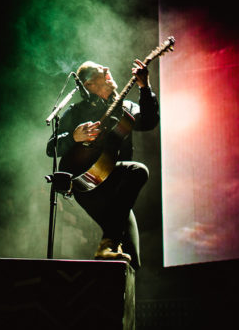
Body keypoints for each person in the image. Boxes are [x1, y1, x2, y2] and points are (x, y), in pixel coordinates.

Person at [46, 58, 159, 268]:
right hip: (85, 182)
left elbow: (150, 122)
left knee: (132, 259)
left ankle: (108, 247)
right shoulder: (77, 111)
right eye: (100, 71)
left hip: (113, 183)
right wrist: (73, 137)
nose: (108, 68)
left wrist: (146, 88)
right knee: (137, 170)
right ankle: (108, 245)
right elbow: (50, 147)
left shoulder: (126, 107)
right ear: (87, 84)